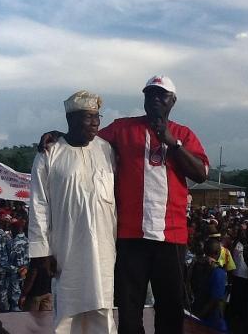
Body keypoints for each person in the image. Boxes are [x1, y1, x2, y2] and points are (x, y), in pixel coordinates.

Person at [38, 76, 209, 334]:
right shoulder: (122, 128)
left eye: (161, 95)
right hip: (131, 237)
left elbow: (201, 173)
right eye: (149, 94)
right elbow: (86, 138)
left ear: (172, 101)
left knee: (171, 308)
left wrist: (172, 142)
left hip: (171, 237)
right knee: (129, 309)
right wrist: (59, 134)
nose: (154, 99)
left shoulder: (183, 134)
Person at [30, 90, 117, 333]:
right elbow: (38, 203)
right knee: (67, 313)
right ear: (71, 120)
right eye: (88, 118)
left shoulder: (107, 150)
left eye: (97, 117)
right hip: (65, 248)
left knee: (103, 310)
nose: (95, 123)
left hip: (103, 250)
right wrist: (41, 251)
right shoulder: (49, 152)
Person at [7, 221, 29, 311]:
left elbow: (6, 261)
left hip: (15, 273)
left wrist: (17, 269)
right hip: (27, 272)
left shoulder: (11, 242)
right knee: (25, 296)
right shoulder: (28, 241)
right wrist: (26, 268)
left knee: (15, 298)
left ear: (17, 229)